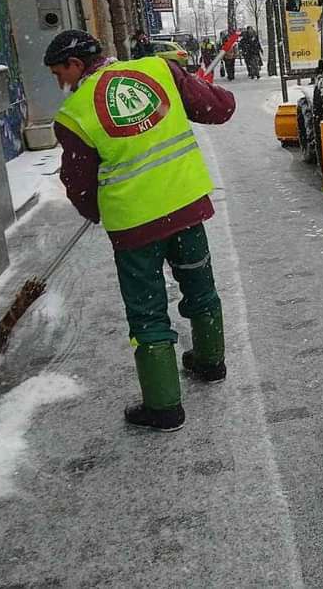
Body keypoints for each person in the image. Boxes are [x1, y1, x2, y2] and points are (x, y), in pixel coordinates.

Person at [46, 29, 236, 432]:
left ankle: (164, 406)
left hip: (134, 228)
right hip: (186, 209)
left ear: (76, 64)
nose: (59, 81)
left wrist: (93, 209)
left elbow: (79, 182)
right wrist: (205, 90)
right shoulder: (159, 70)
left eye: (59, 71)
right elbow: (218, 109)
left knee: (148, 310)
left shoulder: (75, 114)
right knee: (200, 288)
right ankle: (210, 362)